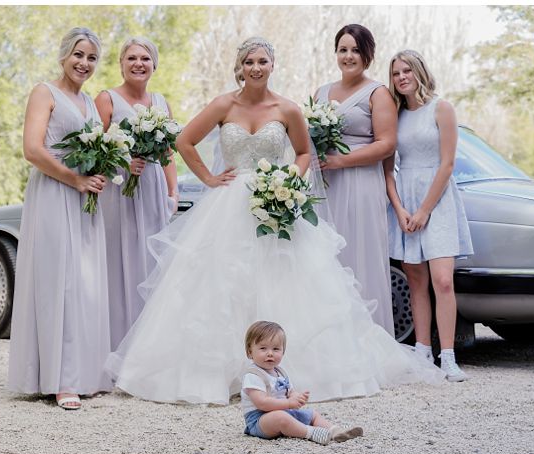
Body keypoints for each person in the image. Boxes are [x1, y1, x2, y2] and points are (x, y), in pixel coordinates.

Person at [105, 37, 445, 405]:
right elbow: (184, 142)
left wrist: (288, 181)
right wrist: (208, 178)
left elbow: (302, 153)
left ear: (272, 65)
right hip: (228, 204)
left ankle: (284, 370)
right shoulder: (223, 104)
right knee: (221, 283)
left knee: (284, 280)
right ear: (240, 67)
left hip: (274, 203)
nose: (255, 67)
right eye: (249, 61)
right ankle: (219, 373)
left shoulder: (287, 108)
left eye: (262, 61)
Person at [6, 28, 112, 410]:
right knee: (59, 281)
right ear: (64, 55)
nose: (84, 63)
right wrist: (75, 179)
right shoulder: (44, 92)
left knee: (84, 284)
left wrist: (100, 173)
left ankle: (84, 372)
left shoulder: (88, 102)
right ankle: (59, 379)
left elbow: (97, 150)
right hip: (54, 193)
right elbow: (32, 149)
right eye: (78, 55)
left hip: (85, 201)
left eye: (92, 58)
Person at [385, 50, 474, 381]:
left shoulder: (441, 108)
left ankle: (447, 356)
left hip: (437, 202)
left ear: (420, 71)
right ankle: (422, 351)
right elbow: (388, 170)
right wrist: (401, 209)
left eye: (407, 70)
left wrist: (424, 210)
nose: (402, 77)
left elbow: (447, 164)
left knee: (442, 280)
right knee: (416, 280)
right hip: (405, 202)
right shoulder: (394, 115)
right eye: (395, 73)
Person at [95, 37, 179, 350]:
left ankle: (148, 348)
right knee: (118, 261)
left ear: (154, 65)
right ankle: (114, 345)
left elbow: (168, 152)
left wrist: (172, 192)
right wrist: (122, 161)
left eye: (145, 58)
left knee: (150, 262)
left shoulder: (161, 102)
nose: (138, 64)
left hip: (153, 192)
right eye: (131, 58)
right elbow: (94, 149)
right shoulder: (107, 100)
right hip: (118, 193)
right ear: (121, 64)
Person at [313, 24, 397, 336]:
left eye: (356, 50)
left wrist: (341, 160)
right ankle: (331, 338)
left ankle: (368, 338)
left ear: (368, 55)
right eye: (343, 49)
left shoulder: (378, 93)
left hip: (361, 183)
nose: (349, 56)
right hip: (325, 185)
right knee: (326, 257)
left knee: (360, 254)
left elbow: (386, 144)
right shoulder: (321, 92)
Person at [241, 321, 363, 444]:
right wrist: (289, 403)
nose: (270, 353)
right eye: (263, 348)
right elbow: (262, 403)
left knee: (312, 414)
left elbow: (290, 392)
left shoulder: (280, 373)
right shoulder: (253, 375)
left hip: (283, 411)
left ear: (283, 352)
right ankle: (311, 432)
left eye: (276, 349)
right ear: (250, 352)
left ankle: (335, 431)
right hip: (259, 420)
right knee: (280, 418)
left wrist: (296, 398)